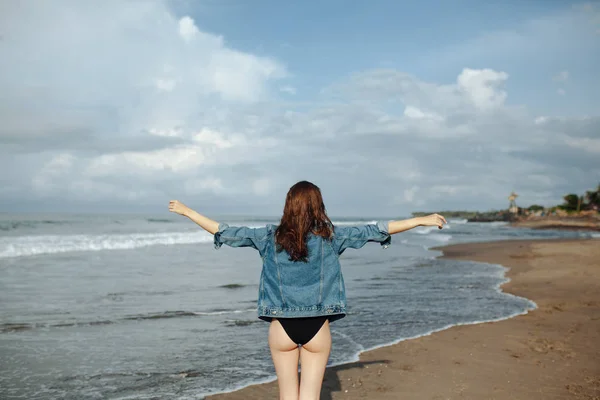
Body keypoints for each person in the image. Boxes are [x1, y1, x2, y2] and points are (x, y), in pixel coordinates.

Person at [169, 181, 446, 400]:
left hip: (281, 328)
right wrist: (420, 220)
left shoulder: (268, 236)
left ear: (288, 206)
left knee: (288, 395)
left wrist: (187, 211)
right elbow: (376, 229)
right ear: (318, 207)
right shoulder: (332, 236)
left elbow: (224, 231)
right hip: (317, 327)